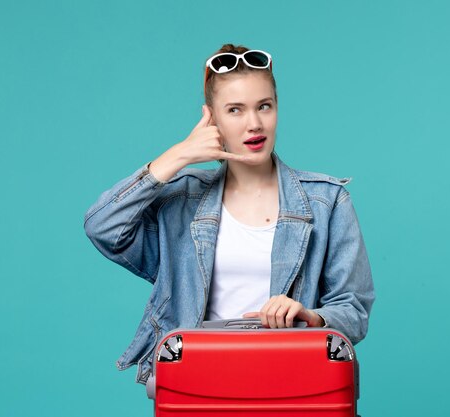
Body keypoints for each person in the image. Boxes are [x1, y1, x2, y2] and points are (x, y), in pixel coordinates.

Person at [83, 44, 375, 385]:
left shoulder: (327, 201)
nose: (254, 124)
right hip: (199, 385)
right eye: (235, 110)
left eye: (264, 106)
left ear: (277, 108)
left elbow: (353, 309)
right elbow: (103, 227)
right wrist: (177, 156)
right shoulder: (182, 202)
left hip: (292, 384)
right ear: (212, 118)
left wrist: (311, 318)